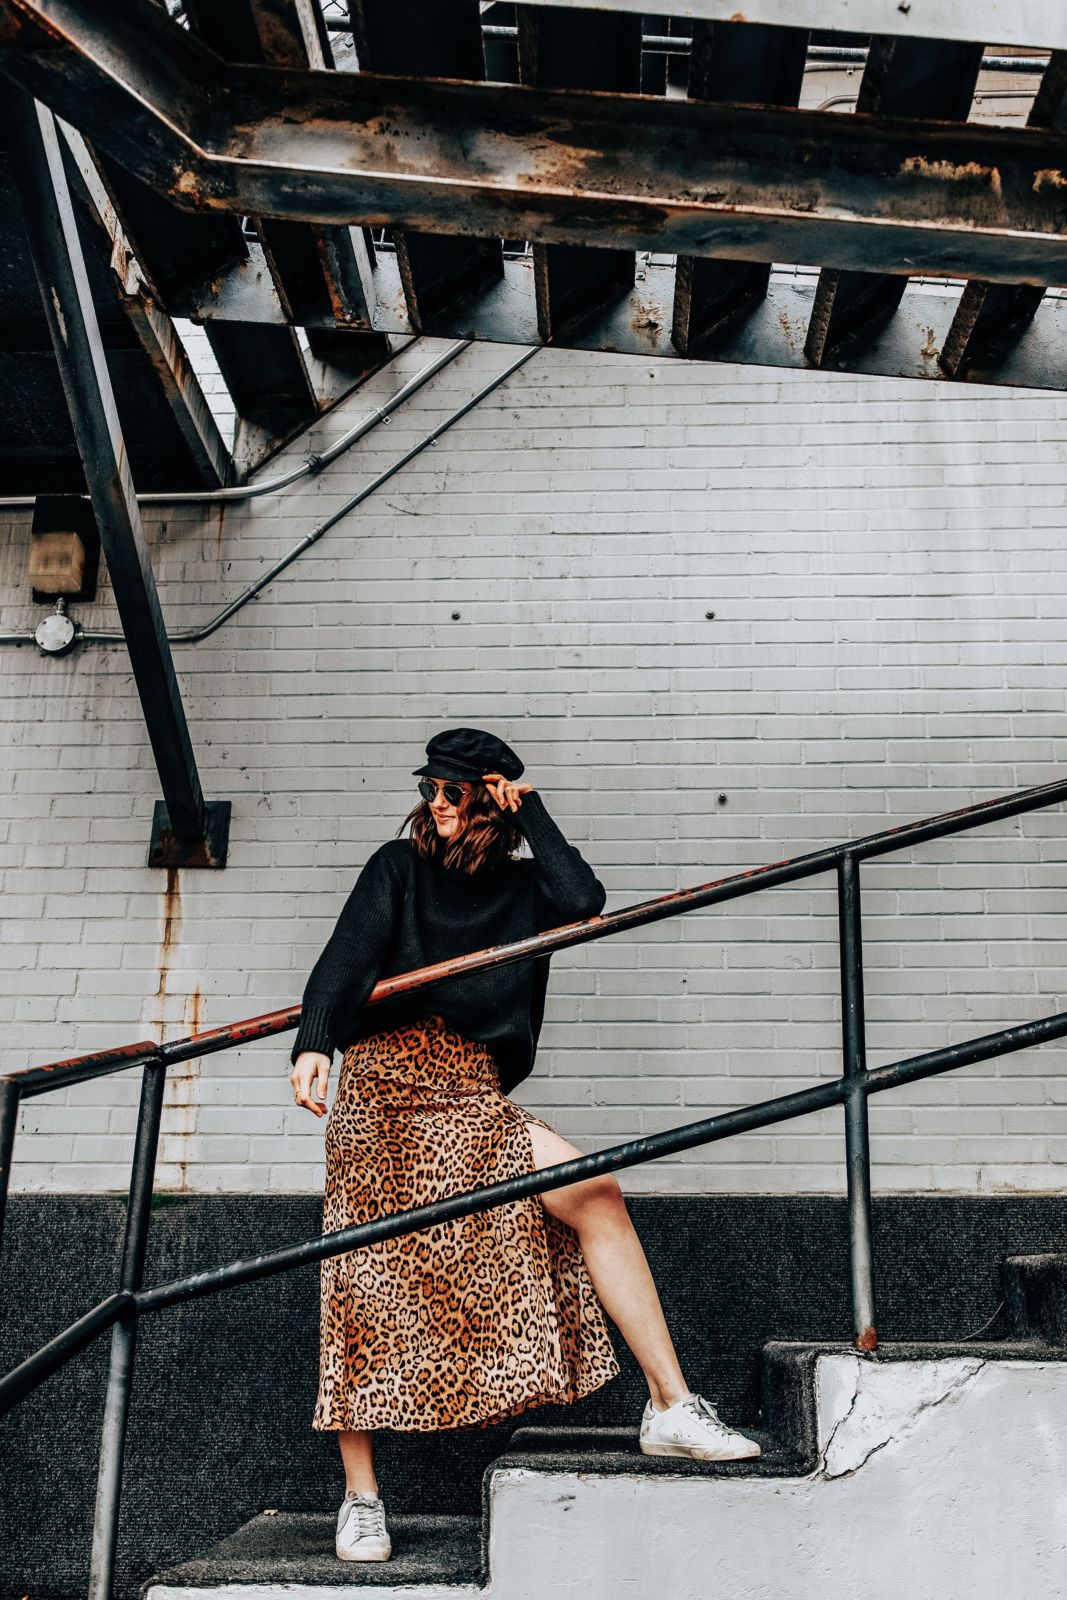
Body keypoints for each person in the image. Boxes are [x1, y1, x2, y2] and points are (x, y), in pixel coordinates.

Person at [289, 726, 760, 1563]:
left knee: (596, 1192)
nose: (436, 802)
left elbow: (582, 898)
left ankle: (670, 1407)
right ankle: (361, 1499)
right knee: (363, 1279)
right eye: (430, 788)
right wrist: (314, 1041)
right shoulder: (395, 869)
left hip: (469, 1086)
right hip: (385, 1089)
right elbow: (345, 956)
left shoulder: (520, 886)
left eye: (454, 790)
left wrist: (533, 809)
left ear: (490, 797)